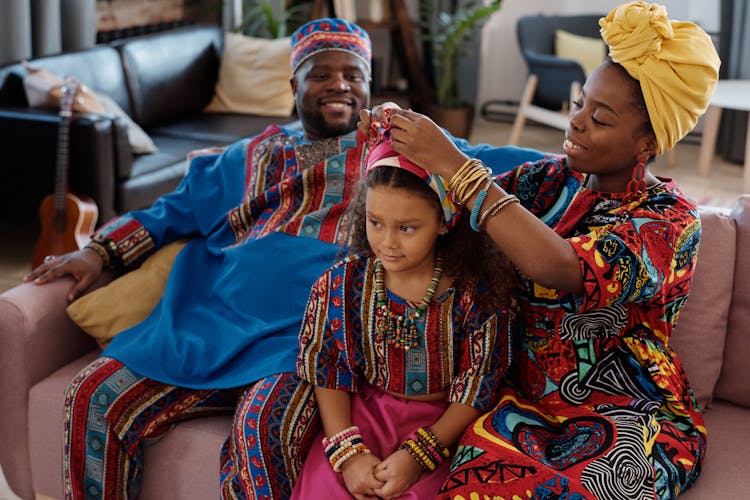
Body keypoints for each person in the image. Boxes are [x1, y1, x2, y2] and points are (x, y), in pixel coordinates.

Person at [24, 17, 545, 499]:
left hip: (302, 343)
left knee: (263, 431)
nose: (339, 84)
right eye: (321, 74)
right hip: (204, 325)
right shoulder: (248, 157)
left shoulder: (400, 151)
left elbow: (508, 166)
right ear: (292, 86)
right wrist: (98, 251)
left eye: (352, 74)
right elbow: (170, 211)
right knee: (92, 396)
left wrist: (585, 161)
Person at [361, 2, 721, 498]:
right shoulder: (547, 180)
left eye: (599, 118)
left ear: (646, 144)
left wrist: (456, 164)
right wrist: (396, 142)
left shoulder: (669, 221)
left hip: (626, 413)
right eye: (579, 105)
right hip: (517, 403)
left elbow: (560, 266)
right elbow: (449, 212)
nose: (575, 123)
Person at [290, 119, 518, 499]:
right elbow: (327, 367)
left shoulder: (476, 297)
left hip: (447, 426)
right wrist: (348, 454)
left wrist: (419, 456)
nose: (388, 242)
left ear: (444, 222)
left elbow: (478, 385)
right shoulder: (341, 286)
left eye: (407, 228)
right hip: (363, 417)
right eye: (375, 223)